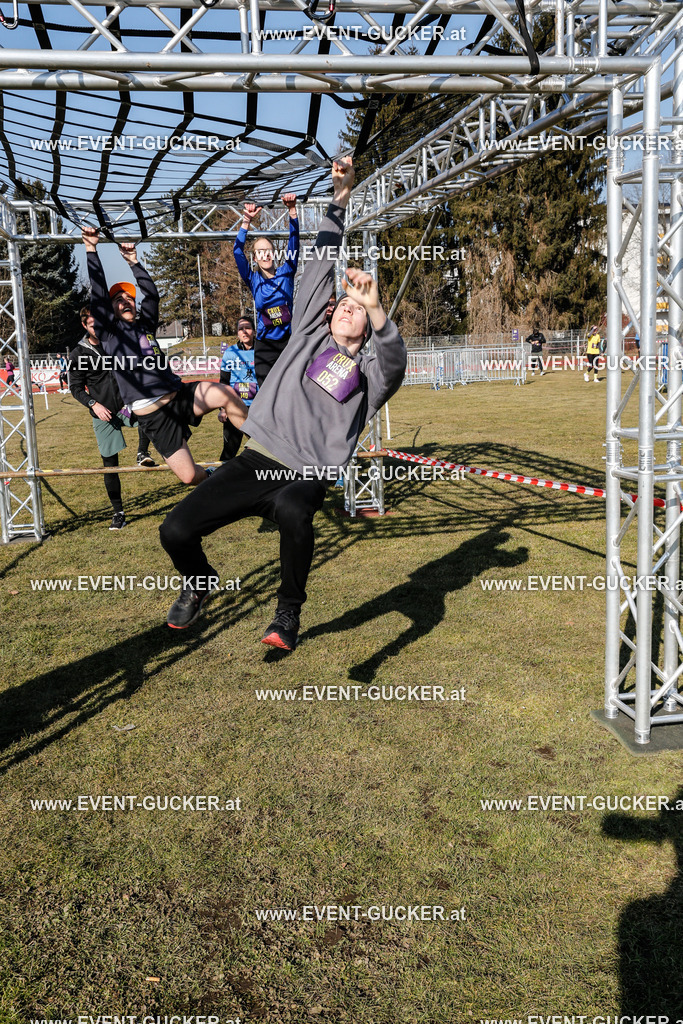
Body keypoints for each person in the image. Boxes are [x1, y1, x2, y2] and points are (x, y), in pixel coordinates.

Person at [159, 157, 407, 649]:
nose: (345, 310)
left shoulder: (371, 373)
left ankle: (287, 613)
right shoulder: (307, 335)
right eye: (344, 304)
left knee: (295, 513)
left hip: (306, 475)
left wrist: (377, 307)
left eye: (357, 311)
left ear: (366, 325)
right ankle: (202, 581)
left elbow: (395, 360)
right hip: (257, 460)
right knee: (175, 530)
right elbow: (317, 267)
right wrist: (339, 198)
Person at [82, 228, 248, 486]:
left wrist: (134, 262)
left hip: (179, 396)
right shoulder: (109, 333)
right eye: (118, 299)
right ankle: (215, 477)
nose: (126, 301)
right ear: (110, 309)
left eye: (129, 298)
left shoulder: (145, 325)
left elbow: (152, 294)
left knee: (227, 394)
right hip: (154, 417)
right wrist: (91, 250)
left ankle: (259, 451)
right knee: (190, 476)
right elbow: (98, 292)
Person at [69, 306, 157, 530]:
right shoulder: (78, 354)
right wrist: (93, 404)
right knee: (110, 464)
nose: (96, 329)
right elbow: (76, 388)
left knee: (151, 414)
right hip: (103, 412)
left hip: (128, 404)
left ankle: (142, 452)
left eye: (99, 324)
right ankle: (118, 512)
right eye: (91, 326)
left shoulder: (114, 342)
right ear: (84, 327)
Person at [234, 192, 299, 385]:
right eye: (259, 252)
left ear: (273, 253)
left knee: (292, 391)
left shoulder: (287, 271)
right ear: (255, 258)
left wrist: (292, 212)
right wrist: (246, 220)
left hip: (288, 342)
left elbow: (294, 242)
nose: (264, 255)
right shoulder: (253, 279)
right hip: (264, 347)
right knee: (266, 395)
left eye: (268, 251)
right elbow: (237, 251)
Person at [218, 316, 258, 462]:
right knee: (229, 450)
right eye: (241, 329)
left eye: (247, 328)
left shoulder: (262, 351)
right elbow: (224, 382)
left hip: (257, 408)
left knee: (261, 446)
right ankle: (220, 480)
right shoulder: (230, 353)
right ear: (237, 333)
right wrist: (223, 408)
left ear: (254, 331)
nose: (244, 332)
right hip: (234, 407)